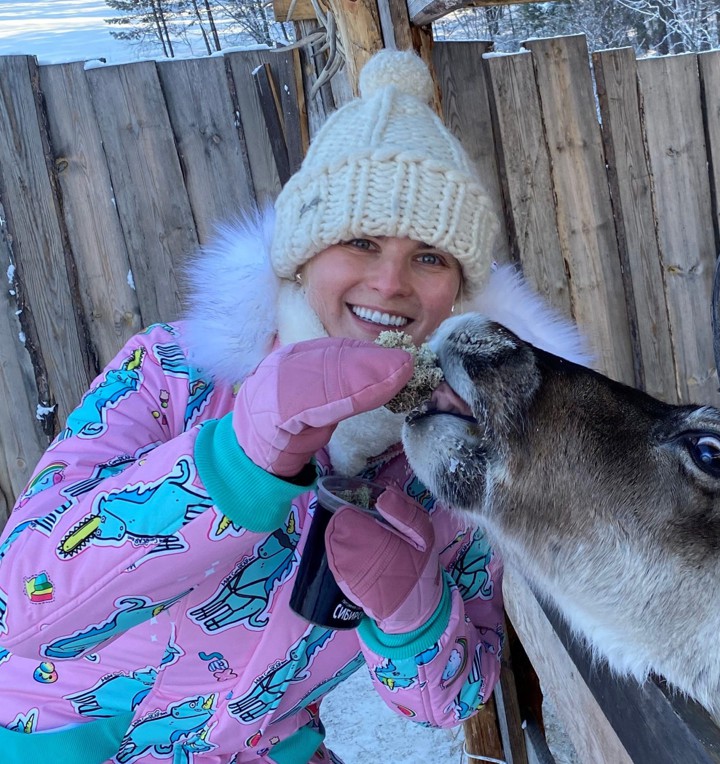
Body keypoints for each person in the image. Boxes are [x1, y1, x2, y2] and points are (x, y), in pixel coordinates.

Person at [0, 49, 586, 764]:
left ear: (458, 291)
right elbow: (21, 602)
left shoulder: (448, 451)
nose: (391, 280)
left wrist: (413, 616)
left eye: (430, 256)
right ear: (302, 255)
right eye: (360, 241)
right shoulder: (173, 373)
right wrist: (230, 465)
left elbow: (452, 697)